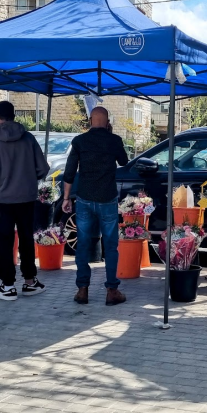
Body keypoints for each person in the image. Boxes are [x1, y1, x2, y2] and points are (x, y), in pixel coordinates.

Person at [0, 101, 50, 301]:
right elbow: (43, 168)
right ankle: (30, 281)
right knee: (26, 240)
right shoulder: (28, 139)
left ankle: (8, 286)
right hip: (26, 198)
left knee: (4, 242)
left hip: (1, 200)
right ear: (14, 115)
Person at [62, 107, 129, 306]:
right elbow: (124, 161)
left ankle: (82, 290)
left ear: (90, 120)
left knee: (83, 244)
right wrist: (111, 135)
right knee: (110, 246)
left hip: (84, 199)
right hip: (107, 198)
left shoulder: (79, 141)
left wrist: (66, 198)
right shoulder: (114, 140)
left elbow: (69, 171)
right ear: (107, 122)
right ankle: (112, 291)